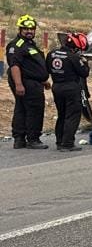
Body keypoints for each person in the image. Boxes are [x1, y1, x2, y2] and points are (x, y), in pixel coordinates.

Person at [5, 14, 50, 149]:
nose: (29, 31)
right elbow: (15, 65)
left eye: (32, 29)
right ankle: (33, 139)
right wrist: (19, 84)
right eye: (26, 29)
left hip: (32, 82)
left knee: (21, 108)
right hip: (26, 83)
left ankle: (20, 139)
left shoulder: (29, 44)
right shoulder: (17, 45)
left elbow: (31, 66)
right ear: (20, 29)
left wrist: (43, 80)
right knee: (34, 109)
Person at [46, 32, 90, 152]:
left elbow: (48, 69)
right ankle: (68, 143)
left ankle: (60, 141)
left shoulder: (52, 53)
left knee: (62, 115)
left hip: (57, 87)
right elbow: (84, 73)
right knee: (72, 116)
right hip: (71, 88)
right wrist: (85, 62)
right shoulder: (74, 57)